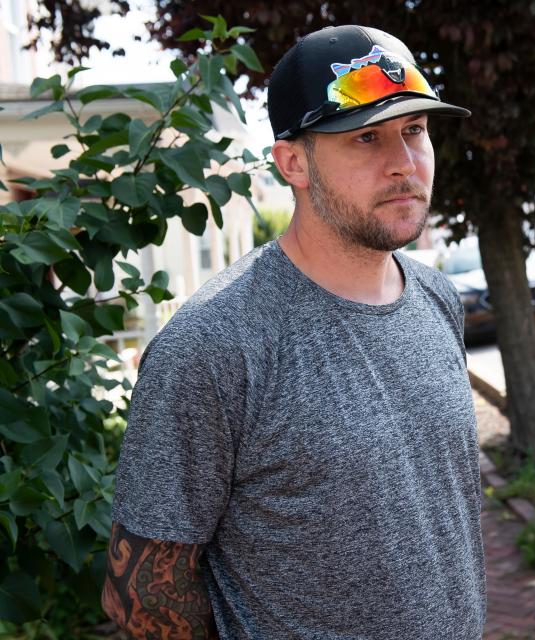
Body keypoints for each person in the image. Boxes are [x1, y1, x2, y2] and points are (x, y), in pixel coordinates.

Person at [101, 25, 485, 640]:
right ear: (292, 162)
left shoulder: (437, 299)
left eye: (414, 131)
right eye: (365, 137)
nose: (404, 163)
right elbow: (144, 598)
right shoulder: (214, 343)